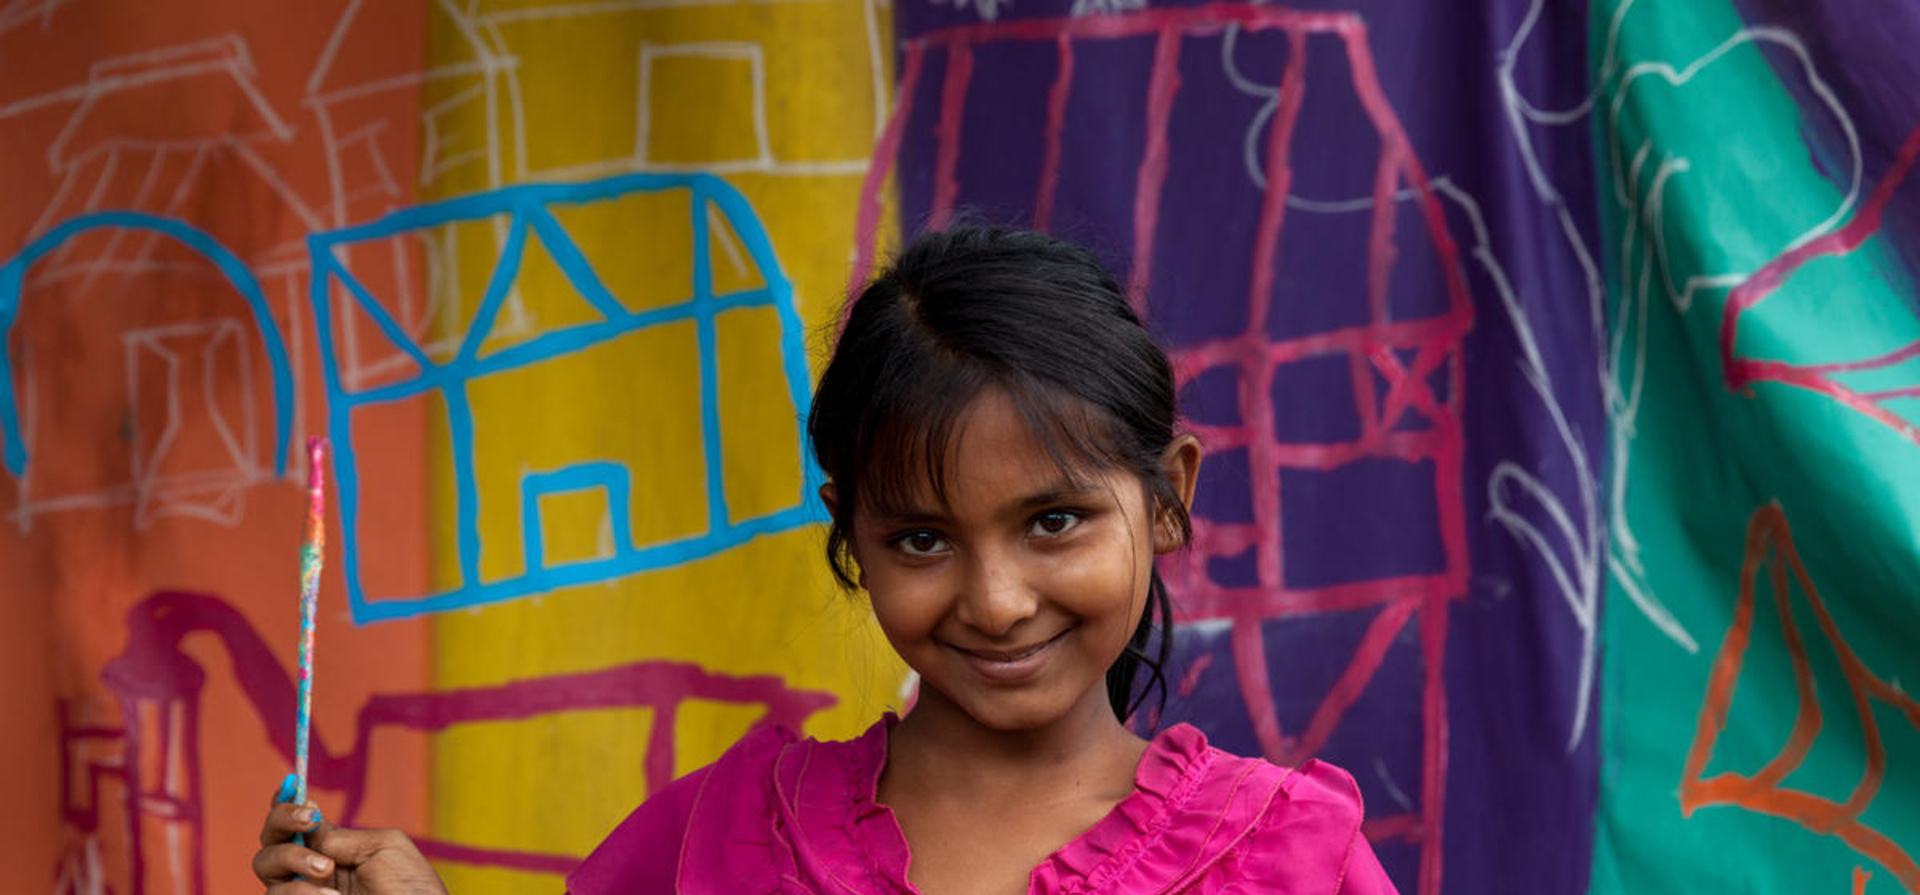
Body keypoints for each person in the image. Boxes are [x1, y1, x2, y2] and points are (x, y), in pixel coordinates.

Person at [253, 226, 1397, 894]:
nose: (996, 602)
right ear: (849, 533)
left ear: (1168, 500)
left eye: (1053, 522)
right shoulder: (721, 839)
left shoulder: (1290, 855)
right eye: (921, 539)